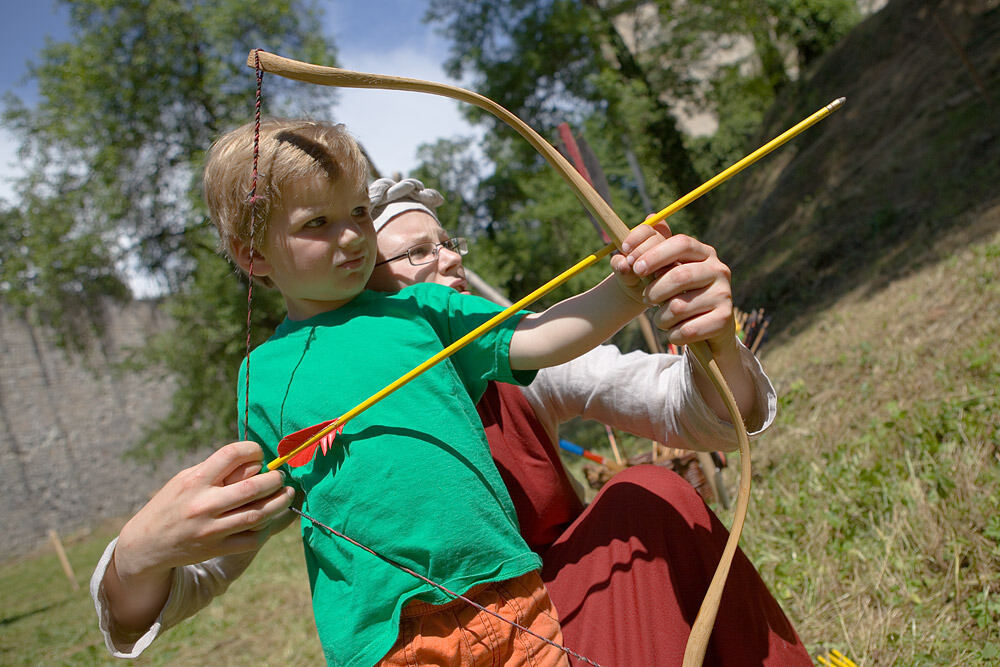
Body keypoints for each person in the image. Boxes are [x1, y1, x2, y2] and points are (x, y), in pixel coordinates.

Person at [94, 117, 752, 667]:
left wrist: (629, 287)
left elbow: (542, 338)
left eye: (356, 212)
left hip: (515, 596)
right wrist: (142, 556)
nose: (350, 235)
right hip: (388, 640)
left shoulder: (426, 314)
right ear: (255, 256)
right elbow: (251, 511)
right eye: (317, 223)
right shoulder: (263, 376)